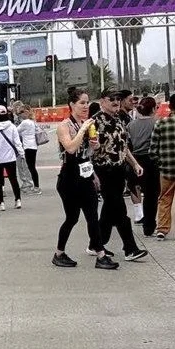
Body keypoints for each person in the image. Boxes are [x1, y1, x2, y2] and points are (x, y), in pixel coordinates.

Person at [52, 88, 118, 270]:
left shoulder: (88, 124)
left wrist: (93, 152)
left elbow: (86, 155)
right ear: (72, 104)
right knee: (72, 218)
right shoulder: (64, 126)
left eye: (87, 102)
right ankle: (59, 253)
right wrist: (82, 130)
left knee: (92, 217)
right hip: (68, 179)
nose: (85, 106)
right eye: (82, 102)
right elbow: (71, 148)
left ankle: (101, 254)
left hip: (85, 175)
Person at [92, 89, 148, 261]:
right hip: (103, 171)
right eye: (112, 100)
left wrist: (135, 163)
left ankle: (95, 244)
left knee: (109, 210)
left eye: (118, 100)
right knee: (119, 210)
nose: (116, 103)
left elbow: (123, 147)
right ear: (103, 101)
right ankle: (130, 248)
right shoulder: (95, 122)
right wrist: (93, 175)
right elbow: (88, 151)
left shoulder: (118, 120)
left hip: (119, 171)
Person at [128, 96, 160, 238]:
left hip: (135, 159)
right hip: (151, 160)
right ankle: (149, 225)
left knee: (138, 190)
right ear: (153, 109)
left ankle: (139, 215)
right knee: (151, 195)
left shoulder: (131, 125)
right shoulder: (156, 123)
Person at [150, 93, 175, 240]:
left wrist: (160, 162)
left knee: (165, 199)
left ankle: (162, 229)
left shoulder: (160, 123)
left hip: (166, 170)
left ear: (170, 106)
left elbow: (153, 150)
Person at [118, 89, 143, 223]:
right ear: (122, 101)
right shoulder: (121, 118)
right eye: (130, 100)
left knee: (134, 184)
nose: (133, 102)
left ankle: (139, 213)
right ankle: (138, 214)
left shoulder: (127, 116)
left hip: (130, 154)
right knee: (133, 183)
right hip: (126, 156)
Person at [0, 105, 23, 210]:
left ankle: (1, 203)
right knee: (13, 179)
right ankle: (18, 200)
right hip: (10, 157)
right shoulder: (12, 126)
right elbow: (17, 142)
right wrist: (21, 153)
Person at [17, 106, 41, 195]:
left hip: (27, 146)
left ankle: (36, 187)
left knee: (30, 167)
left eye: (21, 113)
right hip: (33, 145)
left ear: (25, 113)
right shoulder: (32, 122)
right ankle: (36, 186)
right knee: (32, 167)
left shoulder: (25, 123)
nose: (20, 115)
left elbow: (16, 130)